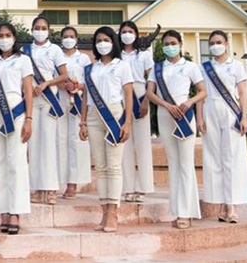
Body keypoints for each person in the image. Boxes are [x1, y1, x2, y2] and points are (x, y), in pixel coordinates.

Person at [147, 30, 207, 229]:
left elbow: (203, 91)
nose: (169, 46)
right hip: (165, 115)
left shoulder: (190, 66)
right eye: (166, 43)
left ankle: (186, 212)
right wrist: (165, 105)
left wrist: (189, 102)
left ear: (180, 44)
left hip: (184, 115)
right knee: (173, 163)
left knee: (186, 163)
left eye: (173, 42)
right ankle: (177, 211)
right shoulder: (157, 68)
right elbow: (150, 93)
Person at [0, 22, 33, 235]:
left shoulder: (23, 60)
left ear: (14, 37)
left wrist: (29, 118)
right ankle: (3, 209)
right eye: (0, 36)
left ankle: (16, 211)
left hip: (16, 111)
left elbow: (28, 90)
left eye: (8, 35)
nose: (4, 39)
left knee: (17, 161)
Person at [79, 26, 134, 233]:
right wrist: (83, 122)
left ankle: (113, 212)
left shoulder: (122, 65)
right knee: (100, 167)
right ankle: (103, 211)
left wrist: (127, 122)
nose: (103, 43)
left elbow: (128, 94)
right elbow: (85, 97)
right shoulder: (91, 68)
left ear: (113, 41)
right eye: (99, 40)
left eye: (106, 39)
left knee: (113, 166)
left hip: (114, 115)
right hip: (93, 116)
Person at [197, 30, 247, 223]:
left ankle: (232, 206)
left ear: (226, 44)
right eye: (212, 42)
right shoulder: (204, 67)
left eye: (219, 42)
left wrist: (244, 117)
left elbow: (243, 92)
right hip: (210, 109)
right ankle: (220, 204)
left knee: (232, 158)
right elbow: (200, 94)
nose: (215, 45)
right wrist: (199, 118)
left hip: (230, 111)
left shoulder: (236, 65)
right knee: (214, 158)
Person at [24, 16, 69, 206]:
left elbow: (65, 75)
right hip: (31, 100)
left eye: (43, 28)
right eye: (36, 27)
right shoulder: (25, 51)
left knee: (49, 143)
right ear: (32, 29)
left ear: (49, 31)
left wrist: (47, 83)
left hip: (49, 99)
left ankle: (51, 189)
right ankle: (36, 188)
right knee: (33, 145)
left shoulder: (55, 50)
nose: (39, 31)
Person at [118, 21, 155, 202]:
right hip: (121, 96)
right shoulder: (116, 55)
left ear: (136, 33)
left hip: (140, 94)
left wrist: (147, 100)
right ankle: (127, 188)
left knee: (142, 144)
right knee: (124, 143)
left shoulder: (144, 55)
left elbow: (153, 77)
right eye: (124, 31)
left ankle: (142, 187)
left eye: (130, 31)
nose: (127, 34)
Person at [57, 26, 92, 199]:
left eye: (71, 36)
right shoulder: (57, 55)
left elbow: (90, 82)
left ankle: (73, 183)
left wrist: (76, 86)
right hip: (59, 103)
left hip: (78, 104)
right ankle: (59, 183)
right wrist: (61, 85)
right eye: (65, 36)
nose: (68, 39)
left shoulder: (84, 58)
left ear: (77, 39)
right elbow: (52, 78)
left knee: (75, 142)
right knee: (60, 141)